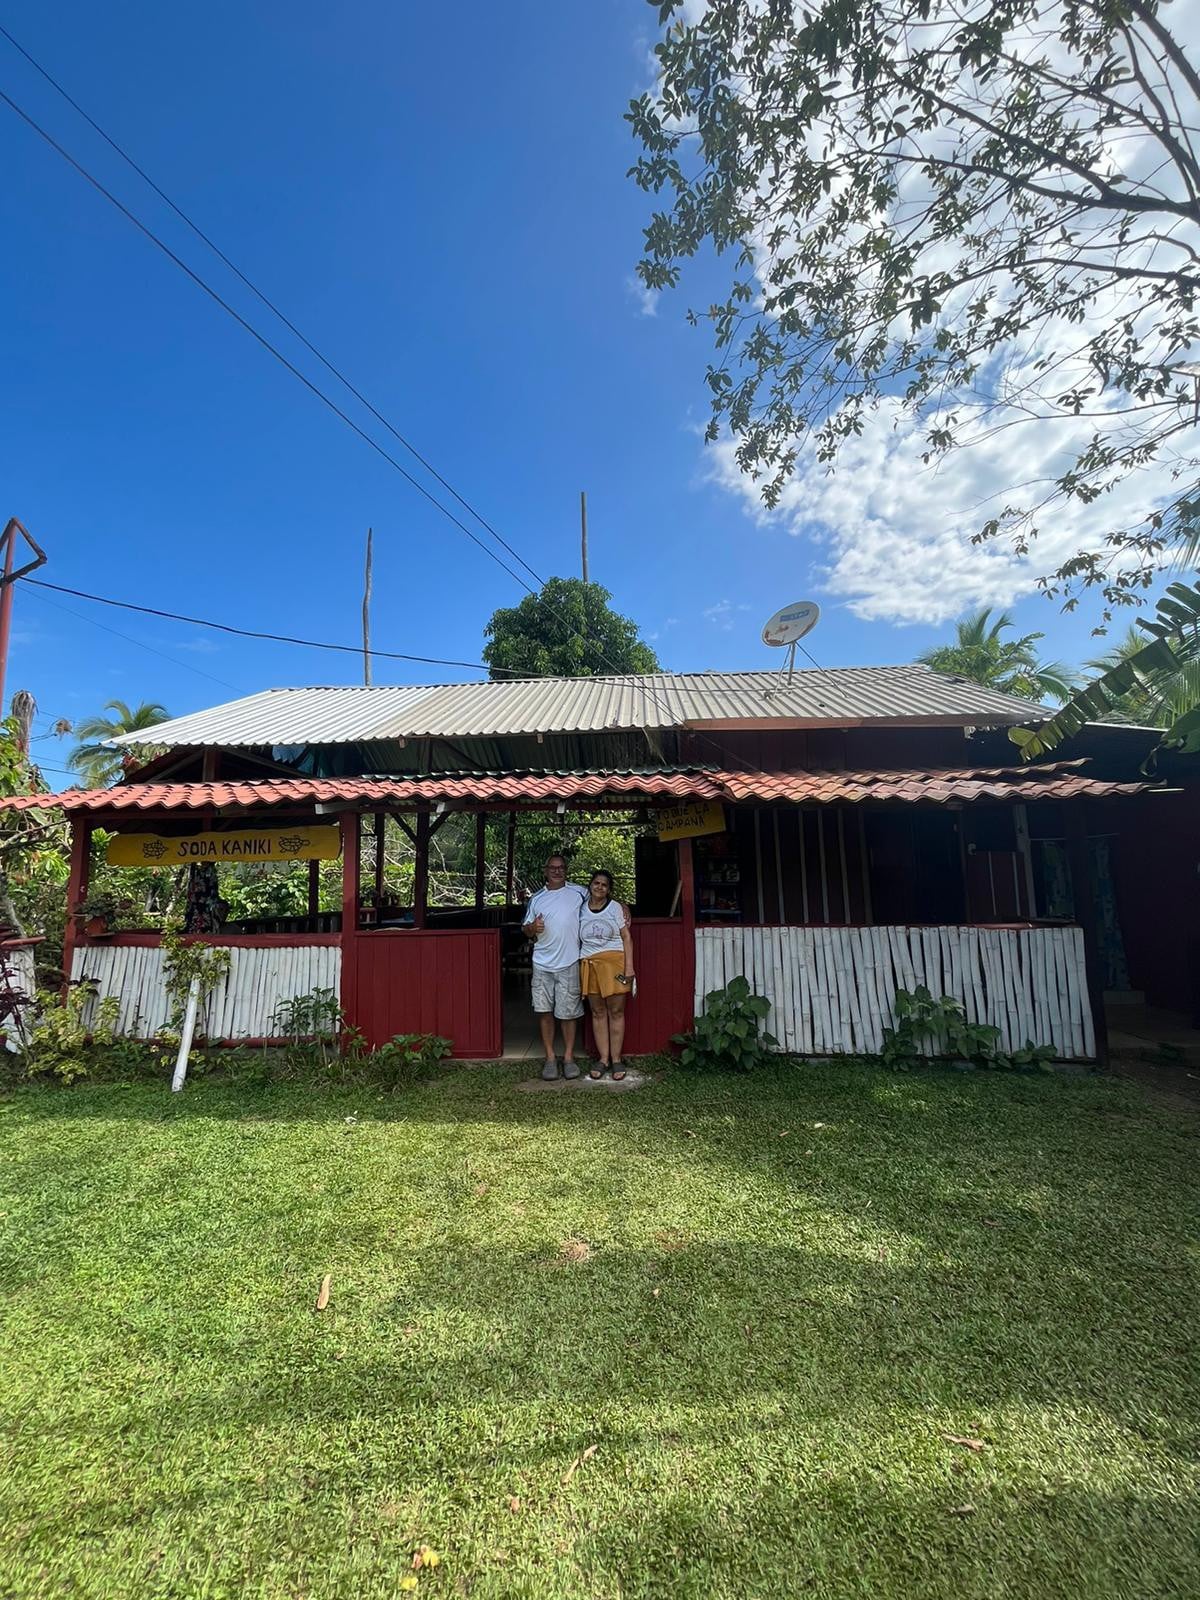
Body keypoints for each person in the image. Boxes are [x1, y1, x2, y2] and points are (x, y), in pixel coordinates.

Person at [522, 854, 589, 1079]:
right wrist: (533, 927)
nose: (557, 871)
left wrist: (624, 909)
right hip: (542, 962)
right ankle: (550, 1058)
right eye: (553, 868)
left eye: (561, 868)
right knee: (545, 1011)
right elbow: (526, 930)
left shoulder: (580, 893)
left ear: (566, 870)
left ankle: (568, 1058)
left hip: (569, 961)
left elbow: (603, 899)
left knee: (568, 1013)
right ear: (546, 870)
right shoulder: (537, 898)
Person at [579, 869, 635, 1082]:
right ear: (590, 886)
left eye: (604, 885)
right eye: (596, 883)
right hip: (589, 964)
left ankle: (617, 1058)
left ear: (609, 889)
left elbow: (626, 937)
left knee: (616, 1011)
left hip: (615, 964)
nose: (599, 887)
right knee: (597, 1011)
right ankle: (603, 1059)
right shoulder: (581, 908)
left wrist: (629, 968)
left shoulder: (615, 908)